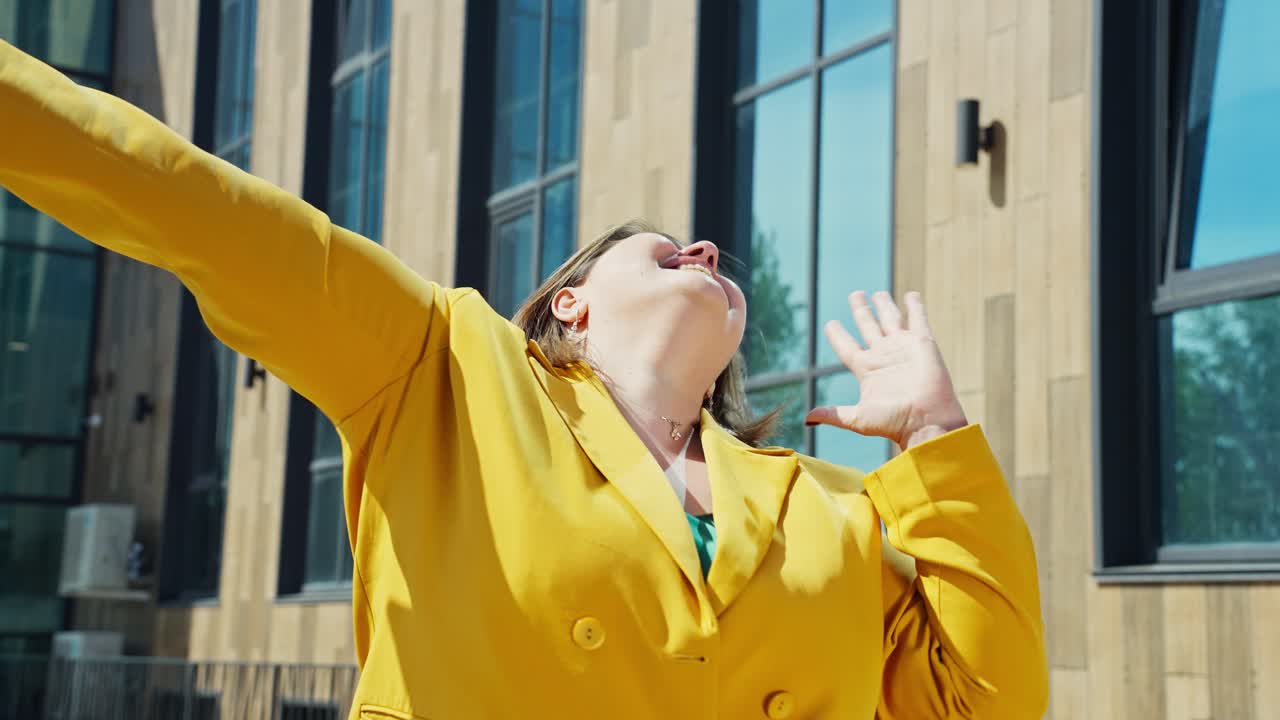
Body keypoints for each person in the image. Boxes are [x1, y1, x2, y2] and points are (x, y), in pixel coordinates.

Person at [0, 39, 1048, 719]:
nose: (708, 249)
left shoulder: (835, 507)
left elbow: (986, 704)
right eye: (664, 247)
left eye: (711, 257)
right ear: (568, 306)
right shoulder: (444, 371)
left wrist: (935, 442)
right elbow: (194, 208)